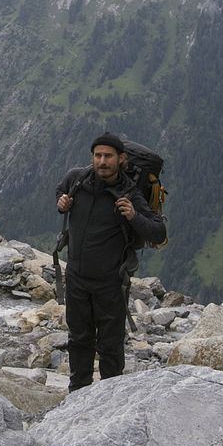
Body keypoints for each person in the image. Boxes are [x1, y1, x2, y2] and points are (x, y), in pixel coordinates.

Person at [55, 132, 166, 391]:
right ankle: (78, 393)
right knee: (79, 338)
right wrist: (61, 204)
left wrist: (134, 216)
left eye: (108, 156)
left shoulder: (128, 194)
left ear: (121, 159)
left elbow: (159, 233)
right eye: (98, 155)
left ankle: (110, 397)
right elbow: (60, 192)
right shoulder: (76, 180)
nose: (102, 161)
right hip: (77, 278)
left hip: (110, 283)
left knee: (110, 344)